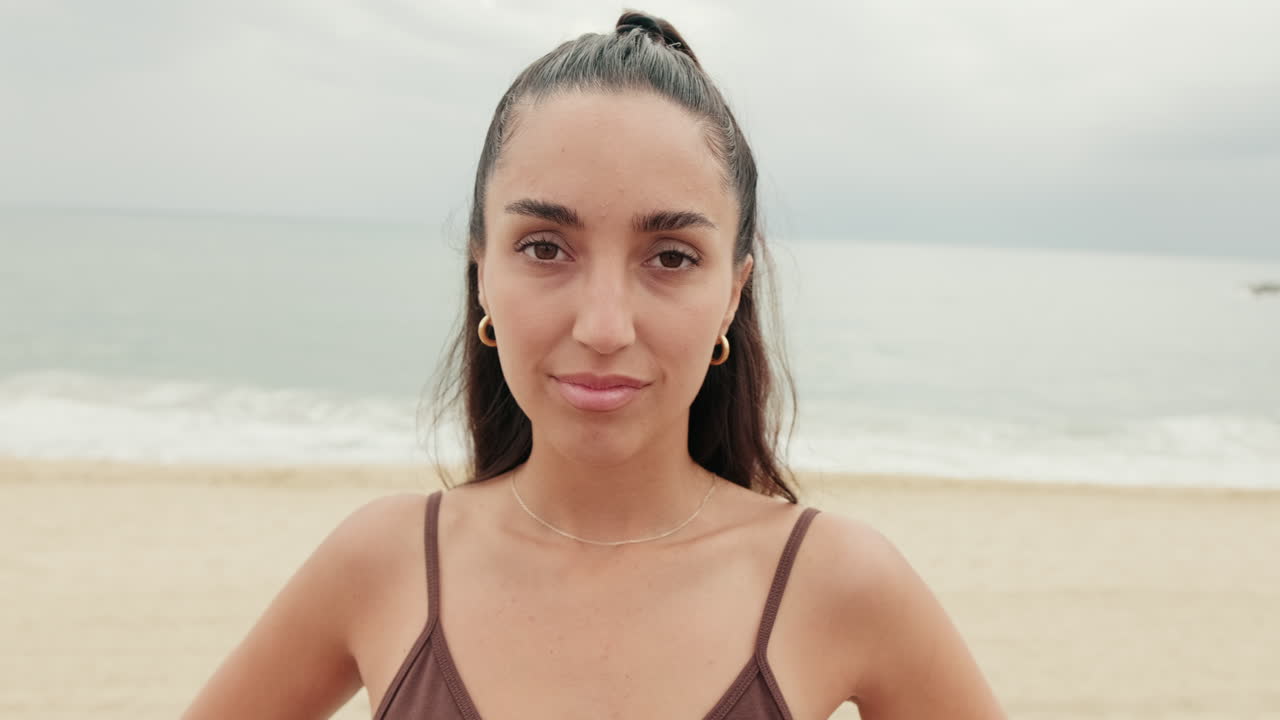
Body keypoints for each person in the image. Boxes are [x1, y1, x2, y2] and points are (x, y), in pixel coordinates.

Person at [183, 11, 1006, 720]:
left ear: (733, 292)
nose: (605, 325)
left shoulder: (839, 584)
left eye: (672, 257)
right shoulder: (382, 562)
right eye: (545, 248)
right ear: (483, 272)